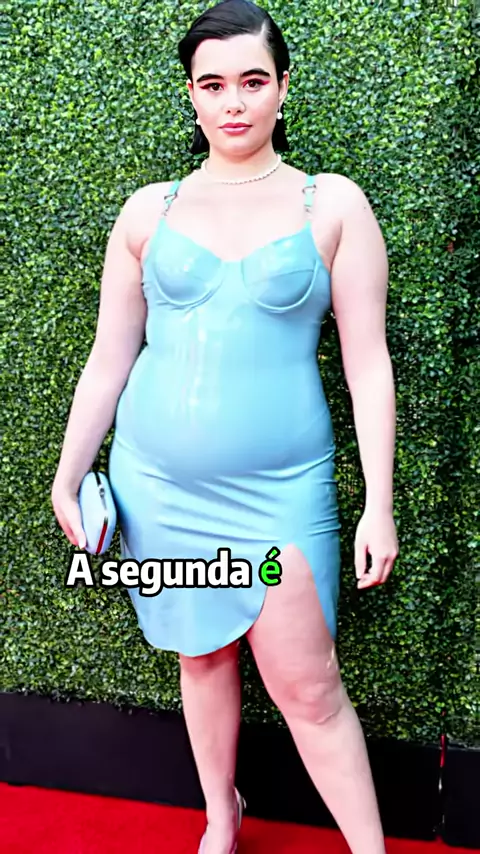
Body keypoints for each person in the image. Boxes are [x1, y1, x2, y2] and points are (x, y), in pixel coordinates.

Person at [51, 1, 399, 852]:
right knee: (200, 656)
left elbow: (367, 364)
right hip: (157, 487)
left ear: (283, 86)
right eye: (212, 84)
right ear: (192, 95)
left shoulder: (333, 205)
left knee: (309, 688)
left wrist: (379, 504)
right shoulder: (148, 211)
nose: (233, 102)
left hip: (280, 493)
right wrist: (68, 474)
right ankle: (221, 816)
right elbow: (108, 358)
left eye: (252, 81)